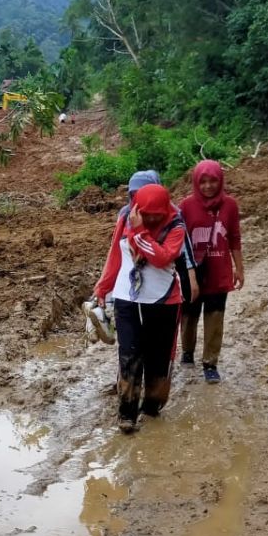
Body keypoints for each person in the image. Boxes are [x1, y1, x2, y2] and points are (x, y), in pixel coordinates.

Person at [93, 183, 186, 434]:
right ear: (138, 208)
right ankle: (127, 413)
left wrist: (140, 231)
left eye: (158, 214)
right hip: (127, 299)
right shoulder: (126, 217)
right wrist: (103, 287)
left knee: (158, 357)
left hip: (164, 301)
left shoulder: (176, 225)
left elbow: (162, 257)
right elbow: (116, 254)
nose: (153, 218)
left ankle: (153, 407)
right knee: (129, 355)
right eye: (147, 214)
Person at [178, 160, 244, 384]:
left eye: (213, 181)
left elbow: (234, 237)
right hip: (193, 272)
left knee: (215, 316)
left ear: (220, 181)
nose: (208, 186)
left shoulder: (230, 205)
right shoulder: (186, 206)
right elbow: (179, 240)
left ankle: (210, 363)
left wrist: (239, 268)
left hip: (219, 269)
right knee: (189, 314)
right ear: (196, 183)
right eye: (203, 182)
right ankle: (187, 351)